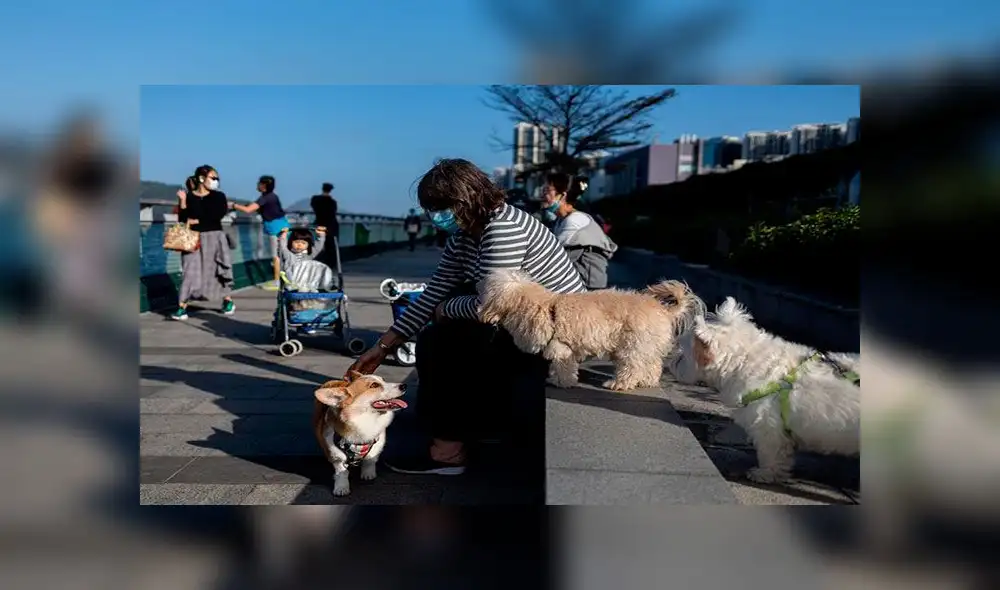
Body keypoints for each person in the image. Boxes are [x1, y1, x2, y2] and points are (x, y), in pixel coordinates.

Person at [346, 158, 586, 476]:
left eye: (439, 207)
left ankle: (447, 451)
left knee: (442, 343)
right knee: (443, 332)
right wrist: (383, 346)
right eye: (430, 208)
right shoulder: (465, 234)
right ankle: (475, 428)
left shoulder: (503, 228)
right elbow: (435, 291)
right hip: (525, 325)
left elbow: (491, 306)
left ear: (466, 200)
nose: (434, 216)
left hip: (557, 335)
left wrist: (446, 309)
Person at [172, 165, 235, 320]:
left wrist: (197, 220)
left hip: (214, 236)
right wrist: (182, 201)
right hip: (192, 237)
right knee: (189, 270)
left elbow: (217, 215)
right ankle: (182, 306)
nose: (216, 181)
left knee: (219, 268)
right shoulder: (189, 197)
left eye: (217, 178)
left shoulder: (219, 196)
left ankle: (227, 300)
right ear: (201, 178)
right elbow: (183, 219)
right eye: (213, 178)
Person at [541, 173, 618, 290]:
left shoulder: (574, 221)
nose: (542, 194)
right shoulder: (560, 220)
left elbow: (554, 257)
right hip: (578, 284)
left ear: (562, 195)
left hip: (589, 288)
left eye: (547, 190)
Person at [231, 175, 289, 290]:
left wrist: (233, 205)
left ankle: (277, 281)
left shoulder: (265, 198)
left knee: (276, 255)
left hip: (275, 228)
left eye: (259, 183)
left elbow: (248, 210)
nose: (257, 185)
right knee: (282, 254)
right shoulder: (272, 196)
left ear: (264, 185)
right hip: (282, 225)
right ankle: (284, 280)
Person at [310, 182, 339, 263]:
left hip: (320, 223)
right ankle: (330, 263)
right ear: (330, 190)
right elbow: (333, 213)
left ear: (322, 189)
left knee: (318, 243)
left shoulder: (315, 199)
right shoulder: (332, 202)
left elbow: (314, 207)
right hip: (331, 225)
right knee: (331, 246)